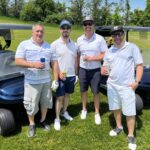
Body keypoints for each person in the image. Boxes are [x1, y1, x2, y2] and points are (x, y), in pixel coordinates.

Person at [101, 26, 143, 150]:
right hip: (112, 85)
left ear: (123, 34)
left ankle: (130, 135)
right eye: (114, 35)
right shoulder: (109, 50)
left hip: (127, 86)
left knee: (130, 112)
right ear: (112, 37)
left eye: (119, 34)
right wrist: (104, 69)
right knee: (115, 107)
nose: (117, 37)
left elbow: (139, 65)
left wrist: (137, 81)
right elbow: (105, 65)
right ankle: (119, 127)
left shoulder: (132, 47)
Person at [15, 23, 59, 137]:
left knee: (46, 102)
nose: (39, 33)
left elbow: (54, 63)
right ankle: (32, 124)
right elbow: (18, 61)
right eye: (37, 31)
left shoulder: (48, 47)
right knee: (31, 105)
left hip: (46, 81)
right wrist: (33, 64)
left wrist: (55, 79)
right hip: (31, 82)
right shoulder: (24, 44)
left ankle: (43, 120)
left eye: (41, 31)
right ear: (33, 32)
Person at [77, 16, 108, 125]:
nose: (88, 26)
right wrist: (77, 70)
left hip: (95, 70)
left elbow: (105, 54)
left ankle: (97, 113)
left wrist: (91, 58)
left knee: (96, 92)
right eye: (85, 24)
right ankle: (84, 109)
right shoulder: (79, 39)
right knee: (83, 91)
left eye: (90, 24)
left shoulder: (100, 39)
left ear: (93, 25)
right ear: (83, 26)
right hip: (83, 69)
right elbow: (78, 55)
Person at [51, 20, 78, 131]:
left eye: (67, 28)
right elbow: (52, 62)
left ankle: (64, 112)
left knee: (67, 95)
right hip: (61, 76)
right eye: (63, 28)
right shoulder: (54, 44)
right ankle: (57, 118)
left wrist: (76, 74)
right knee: (59, 98)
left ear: (70, 30)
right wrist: (57, 74)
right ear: (60, 30)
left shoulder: (75, 45)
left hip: (71, 75)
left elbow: (76, 60)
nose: (65, 30)